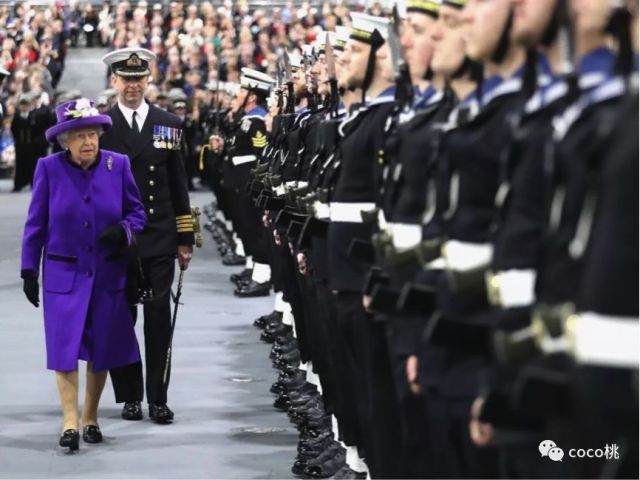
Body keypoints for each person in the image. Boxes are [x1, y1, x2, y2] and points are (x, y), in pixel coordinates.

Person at [20, 97, 146, 452]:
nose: (88, 142)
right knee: (64, 349)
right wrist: (29, 268)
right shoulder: (48, 168)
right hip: (63, 275)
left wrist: (122, 230)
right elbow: (35, 223)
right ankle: (69, 422)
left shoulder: (117, 165)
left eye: (92, 134)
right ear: (65, 141)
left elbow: (137, 213)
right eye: (79, 136)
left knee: (100, 348)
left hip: (108, 275)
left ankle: (90, 417)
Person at [100, 47, 195, 424]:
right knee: (121, 321)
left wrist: (184, 238)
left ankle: (157, 396)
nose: (133, 86)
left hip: (158, 236)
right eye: (126, 79)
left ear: (148, 80)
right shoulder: (103, 127)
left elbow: (178, 183)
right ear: (114, 82)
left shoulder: (167, 123)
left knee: (158, 318)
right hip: (119, 239)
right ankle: (129, 396)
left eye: (139, 79)